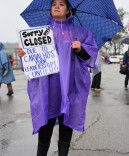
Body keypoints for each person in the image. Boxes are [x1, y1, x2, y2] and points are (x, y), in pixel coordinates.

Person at [17, 0, 98, 155]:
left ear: (68, 10)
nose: (56, 6)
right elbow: (29, 65)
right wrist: (24, 56)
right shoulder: (40, 33)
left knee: (66, 121)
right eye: (54, 3)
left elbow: (91, 58)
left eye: (61, 4)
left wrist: (80, 48)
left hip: (70, 85)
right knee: (45, 122)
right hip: (47, 86)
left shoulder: (81, 32)